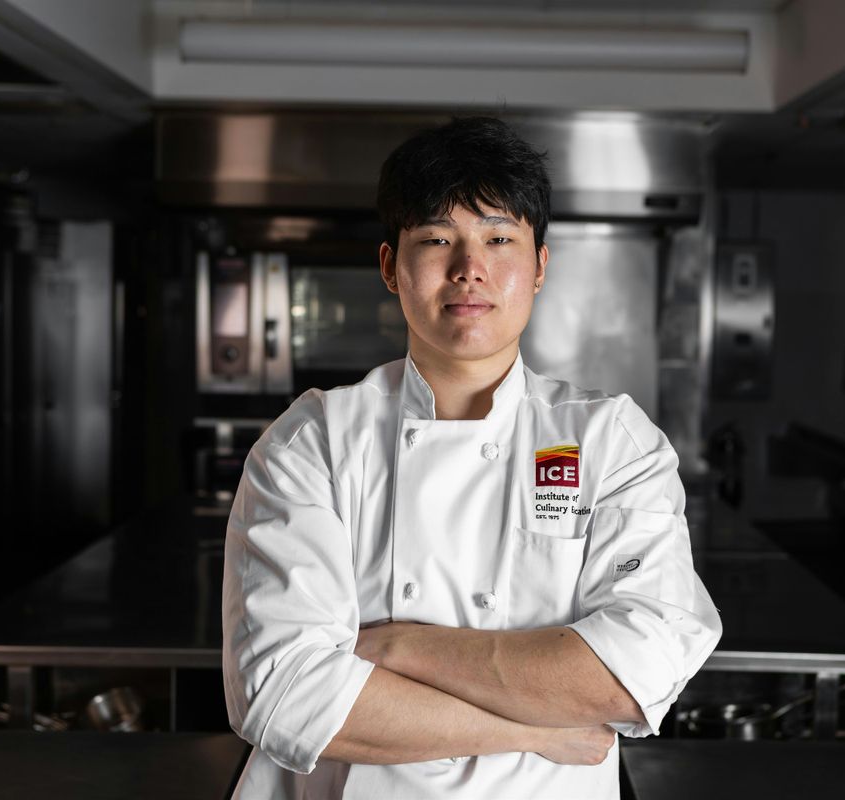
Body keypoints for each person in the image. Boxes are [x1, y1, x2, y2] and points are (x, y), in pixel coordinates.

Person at [222, 116, 722, 800]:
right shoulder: (314, 441)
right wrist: (537, 732)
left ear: (540, 267)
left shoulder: (610, 442)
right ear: (391, 267)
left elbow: (636, 671)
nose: (469, 269)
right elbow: (282, 693)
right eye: (436, 239)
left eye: (498, 238)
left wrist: (394, 646)